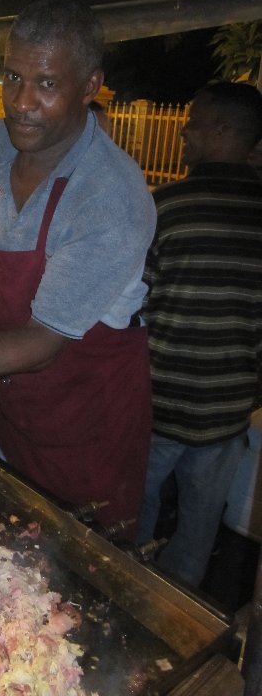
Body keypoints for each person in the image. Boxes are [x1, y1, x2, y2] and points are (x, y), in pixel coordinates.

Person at [0, 0, 156, 529]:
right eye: (13, 77)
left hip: (88, 422)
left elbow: (42, 345)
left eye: (46, 84)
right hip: (14, 407)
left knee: (78, 572)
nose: (20, 103)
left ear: (90, 86)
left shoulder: (109, 195)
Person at [137, 81, 262, 587]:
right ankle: (179, 617)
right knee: (198, 529)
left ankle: (130, 599)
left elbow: (132, 306)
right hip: (227, 412)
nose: (184, 132)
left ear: (223, 131)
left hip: (157, 403)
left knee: (133, 518)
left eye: (194, 121)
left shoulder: (164, 206)